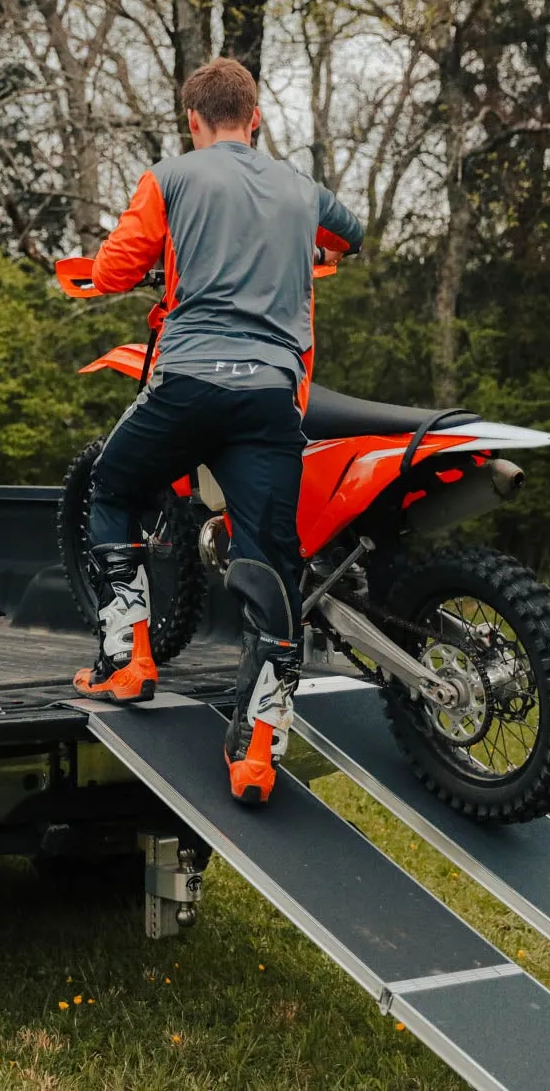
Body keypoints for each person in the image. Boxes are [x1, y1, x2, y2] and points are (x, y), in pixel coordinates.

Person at [72, 57, 365, 806]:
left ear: (193, 122)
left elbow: (111, 272)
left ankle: (127, 658)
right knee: (273, 563)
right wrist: (318, 250)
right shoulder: (301, 189)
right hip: (269, 396)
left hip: (189, 382)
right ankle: (256, 751)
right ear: (256, 116)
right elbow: (352, 232)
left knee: (111, 483)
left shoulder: (171, 178)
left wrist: (117, 268)